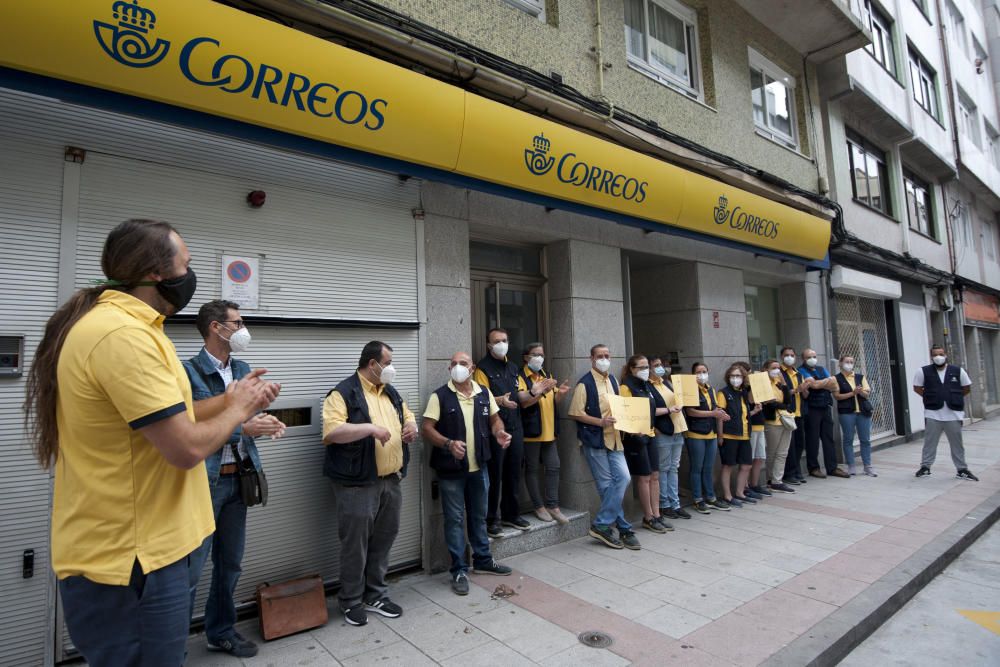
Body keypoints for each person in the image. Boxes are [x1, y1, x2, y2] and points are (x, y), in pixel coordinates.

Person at [25, 219, 276, 667]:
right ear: (157, 273)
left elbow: (169, 417)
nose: (191, 273)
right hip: (134, 562)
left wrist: (234, 399)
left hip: (146, 555)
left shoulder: (135, 329)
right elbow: (184, 448)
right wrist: (239, 410)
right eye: (187, 263)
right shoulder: (124, 336)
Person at [185, 301, 286, 658]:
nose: (243, 328)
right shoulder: (189, 373)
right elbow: (191, 427)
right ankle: (171, 646)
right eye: (237, 322)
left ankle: (221, 631)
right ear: (216, 327)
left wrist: (267, 422)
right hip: (204, 483)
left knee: (230, 564)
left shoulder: (243, 369)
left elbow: (249, 421)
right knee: (190, 570)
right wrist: (242, 427)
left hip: (238, 480)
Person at [322, 341, 418, 626]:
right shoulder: (343, 392)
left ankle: (375, 594)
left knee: (384, 540)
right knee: (356, 544)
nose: (390, 368)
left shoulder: (390, 391)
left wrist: (410, 427)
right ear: (371, 363)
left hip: (391, 480)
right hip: (357, 483)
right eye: (386, 362)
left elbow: (406, 414)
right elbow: (332, 432)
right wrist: (370, 429)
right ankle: (351, 600)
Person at [422, 352, 514, 596]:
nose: (457, 367)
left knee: (479, 516)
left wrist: (499, 433)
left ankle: (483, 559)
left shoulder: (483, 393)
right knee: (454, 519)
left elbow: (495, 420)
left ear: (472, 368)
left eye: (462, 364)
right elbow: (427, 428)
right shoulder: (439, 395)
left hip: (479, 467)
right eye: (453, 364)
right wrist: (447, 444)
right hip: (451, 471)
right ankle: (459, 569)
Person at [568, 344, 640, 550]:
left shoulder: (613, 380)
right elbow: (575, 413)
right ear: (591, 358)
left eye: (607, 355)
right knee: (607, 486)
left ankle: (601, 524)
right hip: (596, 440)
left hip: (615, 439)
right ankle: (624, 528)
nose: (604, 359)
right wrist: (599, 422)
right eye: (600, 356)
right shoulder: (584, 384)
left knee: (624, 478)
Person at [474, 328, 528, 536]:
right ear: (488, 345)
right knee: (495, 475)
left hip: (515, 426)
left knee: (514, 473)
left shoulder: (513, 367)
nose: (501, 344)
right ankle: (492, 519)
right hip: (495, 428)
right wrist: (500, 401)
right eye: (497, 341)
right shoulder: (482, 368)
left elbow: (520, 394)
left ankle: (511, 514)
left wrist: (535, 392)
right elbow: (480, 397)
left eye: (504, 340)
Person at [519, 343, 571, 523]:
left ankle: (553, 505)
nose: (539, 358)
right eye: (534, 354)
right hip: (531, 432)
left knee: (553, 467)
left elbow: (553, 401)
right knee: (532, 469)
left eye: (541, 354)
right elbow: (524, 403)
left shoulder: (546, 375)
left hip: (550, 431)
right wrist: (541, 392)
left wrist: (561, 394)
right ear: (526, 357)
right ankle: (538, 506)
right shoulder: (521, 376)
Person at [619, 355, 670, 533]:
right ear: (632, 369)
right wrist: (635, 431)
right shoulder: (626, 386)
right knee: (644, 477)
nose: (645, 370)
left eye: (646, 366)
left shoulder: (647, 385)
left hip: (650, 433)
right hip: (635, 437)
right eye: (641, 367)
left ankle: (657, 514)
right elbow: (624, 413)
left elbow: (652, 409)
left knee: (655, 475)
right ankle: (648, 517)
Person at [913, 345, 979, 481]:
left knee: (957, 443)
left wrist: (953, 397)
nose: (938, 357)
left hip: (953, 414)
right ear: (931, 357)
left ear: (946, 355)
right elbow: (917, 387)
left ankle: (962, 470)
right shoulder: (923, 371)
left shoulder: (958, 371)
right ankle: (925, 467)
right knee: (930, 442)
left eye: (941, 354)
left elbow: (966, 388)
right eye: (935, 354)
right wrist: (931, 397)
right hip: (932, 413)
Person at [684, 362, 730, 514]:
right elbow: (691, 412)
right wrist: (712, 414)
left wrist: (721, 415)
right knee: (697, 468)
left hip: (711, 433)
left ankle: (711, 496)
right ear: (693, 374)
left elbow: (715, 409)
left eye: (704, 371)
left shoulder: (710, 389)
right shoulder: (690, 390)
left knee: (708, 468)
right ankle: (698, 499)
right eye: (698, 372)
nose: (702, 374)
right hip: (696, 434)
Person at [649, 357, 690, 521]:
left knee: (674, 468)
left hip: (678, 430)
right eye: (656, 365)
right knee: (664, 469)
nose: (660, 368)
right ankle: (664, 504)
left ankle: (676, 504)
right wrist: (667, 411)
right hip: (664, 432)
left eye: (662, 365)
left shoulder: (666, 383)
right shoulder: (648, 386)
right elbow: (649, 409)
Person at [799, 348, 850, 479]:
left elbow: (833, 384)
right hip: (811, 408)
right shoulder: (801, 370)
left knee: (828, 438)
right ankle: (813, 468)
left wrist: (818, 383)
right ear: (803, 359)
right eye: (809, 357)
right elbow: (813, 385)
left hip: (825, 406)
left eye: (814, 356)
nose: (812, 359)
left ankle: (832, 467)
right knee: (812, 439)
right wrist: (824, 383)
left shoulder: (822, 369)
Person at [716, 364, 761, 508]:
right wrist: (720, 436)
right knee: (728, 465)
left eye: (738, 376)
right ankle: (727, 496)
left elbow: (744, 415)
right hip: (729, 435)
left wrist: (754, 411)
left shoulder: (743, 393)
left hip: (745, 435)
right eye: (733, 376)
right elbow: (720, 416)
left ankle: (740, 492)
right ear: (728, 378)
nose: (735, 379)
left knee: (746, 465)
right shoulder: (723, 393)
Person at [832, 354, 876, 477]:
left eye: (851, 362)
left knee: (865, 440)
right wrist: (852, 393)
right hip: (847, 413)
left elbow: (867, 394)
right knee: (848, 439)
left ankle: (867, 466)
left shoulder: (860, 377)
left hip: (863, 412)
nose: (849, 364)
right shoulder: (836, 378)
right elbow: (837, 396)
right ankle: (851, 465)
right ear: (840, 363)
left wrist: (860, 391)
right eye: (847, 362)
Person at [762, 359, 795, 493]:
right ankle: (770, 479)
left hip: (785, 420)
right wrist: (781, 405)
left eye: (778, 368)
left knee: (782, 452)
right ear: (766, 370)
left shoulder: (778, 383)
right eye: (773, 368)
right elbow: (769, 404)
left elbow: (788, 400)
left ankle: (777, 480)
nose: (776, 370)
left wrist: (785, 384)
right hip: (772, 421)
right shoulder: (763, 384)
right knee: (772, 452)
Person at [779, 347, 809, 486]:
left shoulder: (798, 374)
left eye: (792, 355)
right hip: (787, 413)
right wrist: (795, 390)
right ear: (781, 357)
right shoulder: (779, 373)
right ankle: (789, 474)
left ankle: (796, 471)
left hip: (799, 413)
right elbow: (779, 394)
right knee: (789, 447)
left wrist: (804, 389)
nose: (789, 357)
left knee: (799, 444)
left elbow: (805, 395)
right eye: (786, 355)